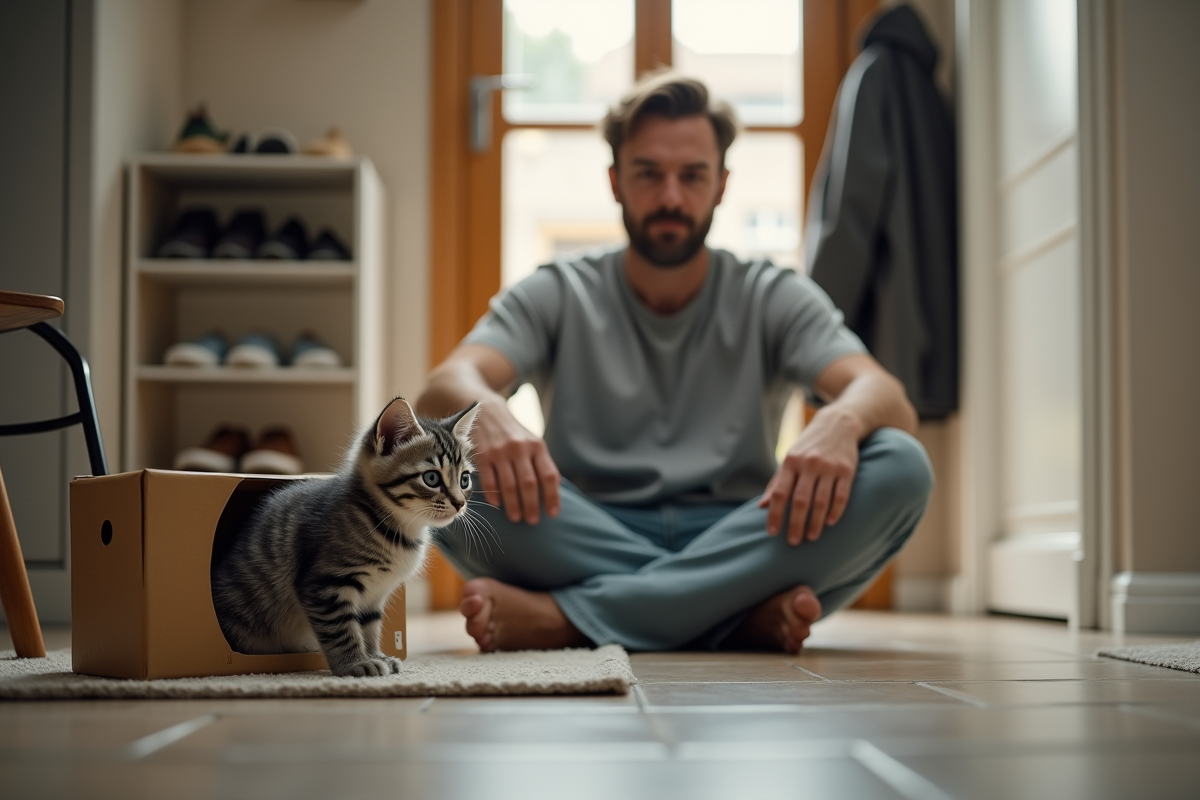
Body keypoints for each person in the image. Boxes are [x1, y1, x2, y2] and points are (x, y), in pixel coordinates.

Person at [415, 72, 933, 654]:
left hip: (744, 528)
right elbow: (442, 388)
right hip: (583, 529)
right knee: (446, 471)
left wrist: (841, 421)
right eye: (648, 174)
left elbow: (885, 396)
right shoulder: (560, 289)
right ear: (615, 181)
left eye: (692, 177)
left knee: (900, 464)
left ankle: (575, 620)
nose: (670, 197)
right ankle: (733, 615)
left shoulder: (771, 292)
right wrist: (486, 411)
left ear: (721, 185)